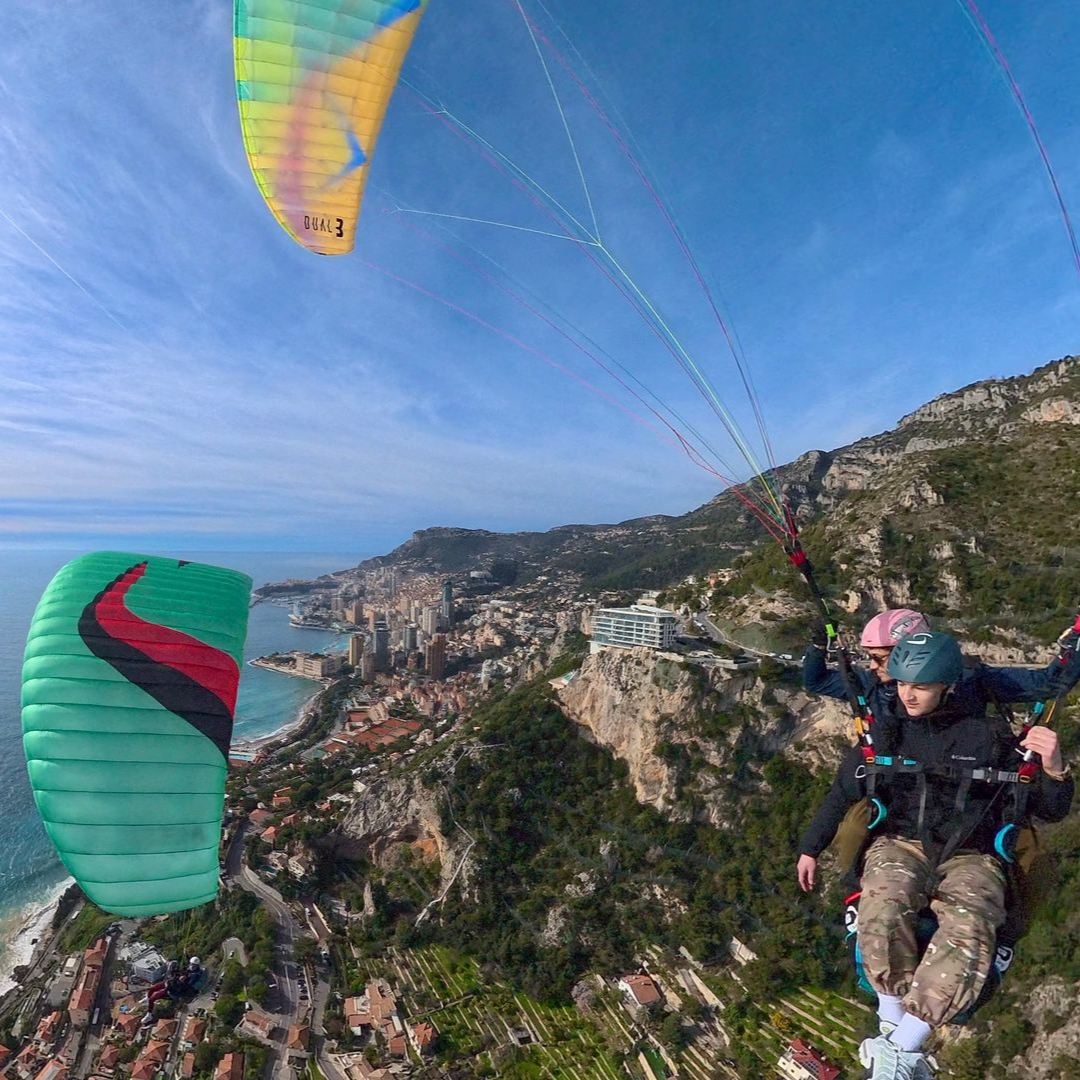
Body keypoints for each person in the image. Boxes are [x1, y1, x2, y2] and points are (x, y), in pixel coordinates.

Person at [796, 632, 1074, 1080]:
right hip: (902, 840)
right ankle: (895, 1035)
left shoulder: (992, 739)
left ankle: (899, 1046)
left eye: (919, 686)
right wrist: (810, 848)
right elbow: (842, 791)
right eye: (902, 683)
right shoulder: (887, 732)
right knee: (884, 898)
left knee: (971, 923)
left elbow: (1048, 809)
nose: (907, 694)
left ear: (946, 686)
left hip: (972, 853)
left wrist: (1054, 768)